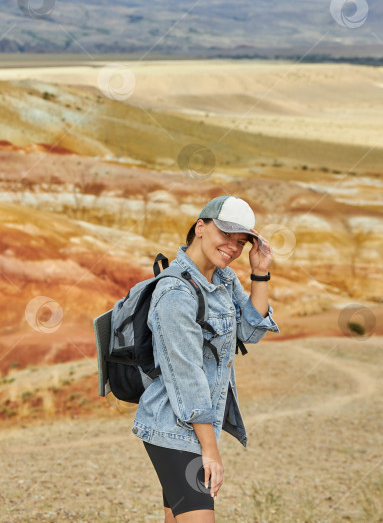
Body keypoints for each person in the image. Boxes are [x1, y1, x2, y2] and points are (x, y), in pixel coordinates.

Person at [131, 196, 280, 522]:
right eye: (226, 234)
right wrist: (210, 452)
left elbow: (251, 331)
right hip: (172, 429)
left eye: (241, 241)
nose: (233, 247)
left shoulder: (223, 279)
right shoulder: (175, 293)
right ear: (201, 226)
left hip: (193, 429)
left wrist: (260, 273)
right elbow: (187, 377)